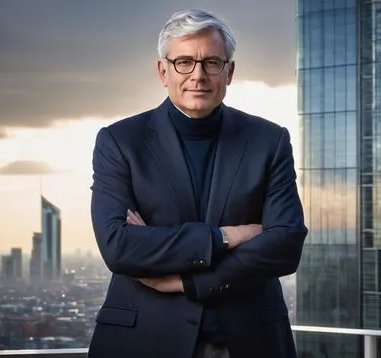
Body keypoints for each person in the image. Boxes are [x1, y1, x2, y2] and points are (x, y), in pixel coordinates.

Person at [88, 8, 307, 358]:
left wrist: (186, 281)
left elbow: (286, 244)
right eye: (184, 62)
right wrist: (226, 236)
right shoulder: (119, 142)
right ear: (163, 71)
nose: (198, 76)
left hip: (249, 340)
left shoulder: (269, 140)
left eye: (212, 63)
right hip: (143, 340)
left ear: (230, 71)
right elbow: (119, 246)